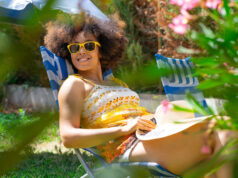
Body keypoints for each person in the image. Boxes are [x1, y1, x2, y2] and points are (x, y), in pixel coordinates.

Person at [44, 15, 232, 177]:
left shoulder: (117, 84)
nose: (82, 51)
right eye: (75, 48)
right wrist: (123, 129)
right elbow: (68, 137)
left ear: (102, 49)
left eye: (89, 45)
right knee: (226, 133)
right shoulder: (74, 85)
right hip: (129, 146)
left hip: (154, 132)